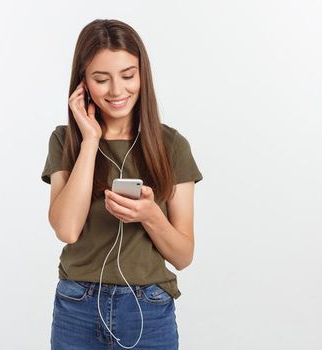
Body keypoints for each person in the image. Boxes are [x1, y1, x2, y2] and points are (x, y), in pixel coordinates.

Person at [41, 19, 203, 349]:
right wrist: (90, 141)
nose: (117, 91)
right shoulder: (66, 141)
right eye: (101, 79)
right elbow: (67, 230)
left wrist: (150, 216)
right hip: (77, 306)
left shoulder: (172, 146)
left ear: (143, 75)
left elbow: (183, 256)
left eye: (128, 76)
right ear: (83, 83)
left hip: (149, 306)